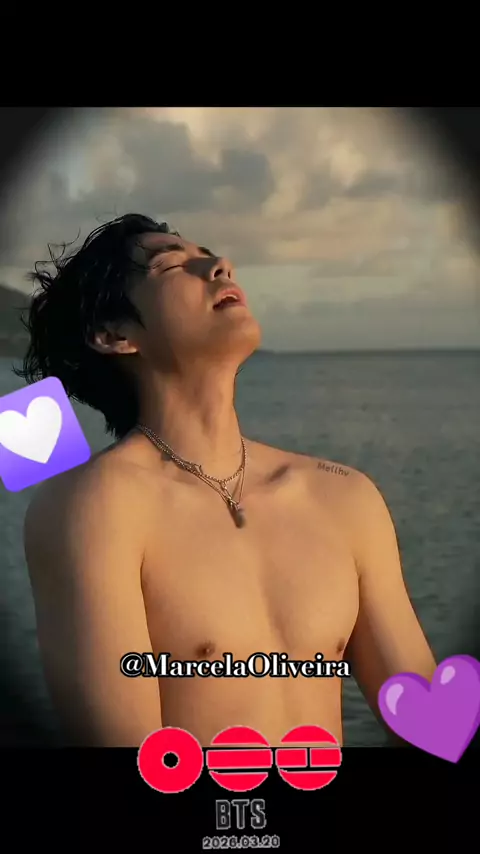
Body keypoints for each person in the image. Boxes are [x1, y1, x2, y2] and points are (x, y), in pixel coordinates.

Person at [19, 213, 436, 748]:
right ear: (114, 334)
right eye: (173, 266)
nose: (220, 265)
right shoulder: (95, 508)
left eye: (209, 254)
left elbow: (428, 730)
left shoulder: (346, 497)